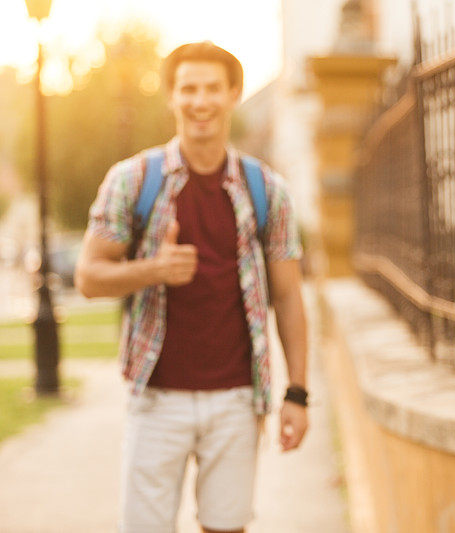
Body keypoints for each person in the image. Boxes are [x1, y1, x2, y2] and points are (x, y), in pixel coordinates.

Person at [75, 41, 309, 533]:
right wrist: (152, 269)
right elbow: (88, 278)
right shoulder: (133, 180)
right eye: (188, 89)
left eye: (211, 89)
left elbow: (288, 297)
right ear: (171, 96)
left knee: (227, 528)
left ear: (233, 94)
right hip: (157, 398)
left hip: (236, 399)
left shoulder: (267, 190)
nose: (199, 101)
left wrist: (297, 394)